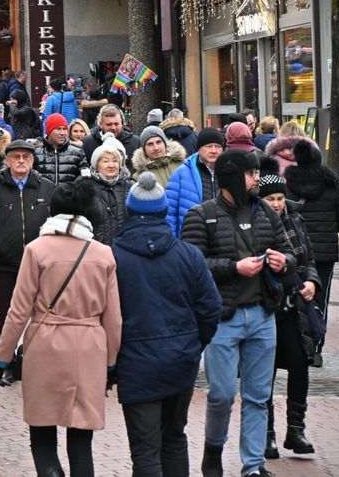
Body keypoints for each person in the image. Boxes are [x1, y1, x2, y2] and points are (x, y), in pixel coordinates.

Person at [0, 181, 122, 477]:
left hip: (45, 342)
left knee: (42, 434)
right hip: (89, 345)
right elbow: (113, 318)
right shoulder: (103, 254)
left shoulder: (36, 250)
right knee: (81, 441)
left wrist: (2, 358)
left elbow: (18, 311)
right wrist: (112, 362)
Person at [182, 148, 295, 477]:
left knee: (258, 397)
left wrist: (283, 262)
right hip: (223, 319)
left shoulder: (265, 212)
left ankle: (253, 466)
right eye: (251, 173)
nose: (257, 179)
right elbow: (192, 266)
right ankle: (213, 449)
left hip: (263, 315)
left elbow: (289, 252)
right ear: (232, 176)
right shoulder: (201, 215)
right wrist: (234, 268)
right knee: (221, 394)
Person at [113, 171, 222, 477]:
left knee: (145, 450)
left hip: (135, 362)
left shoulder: (113, 258)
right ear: (163, 212)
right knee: (174, 438)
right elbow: (211, 308)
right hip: (180, 359)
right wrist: (194, 343)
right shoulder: (188, 255)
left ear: (129, 211)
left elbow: (106, 316)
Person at [256, 159, 319, 460]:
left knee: (299, 364)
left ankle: (296, 430)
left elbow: (310, 259)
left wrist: (312, 282)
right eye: (271, 198)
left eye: (280, 198)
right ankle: (266, 435)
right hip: (266, 308)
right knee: (263, 373)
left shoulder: (296, 220)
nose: (277, 204)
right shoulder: (255, 223)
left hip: (294, 308)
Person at [0, 139, 55, 331]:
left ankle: (37, 351)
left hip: (41, 267)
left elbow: (60, 220)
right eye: (16, 157)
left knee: (43, 319)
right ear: (7, 161)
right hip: (6, 266)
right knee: (8, 318)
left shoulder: (48, 188)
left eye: (26, 157)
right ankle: (7, 351)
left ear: (32, 160)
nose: (21, 160)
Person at [284, 137, 339, 365]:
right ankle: (316, 348)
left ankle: (299, 344)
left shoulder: (288, 185)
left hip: (296, 251)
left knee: (296, 296)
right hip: (324, 252)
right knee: (320, 298)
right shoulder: (332, 185)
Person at [164, 126, 225, 237]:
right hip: (191, 237)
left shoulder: (229, 172)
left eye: (218, 146)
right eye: (209, 146)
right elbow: (170, 214)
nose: (214, 151)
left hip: (223, 238)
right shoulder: (181, 174)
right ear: (199, 148)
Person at [75, 133, 132, 246]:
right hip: (94, 248)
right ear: (96, 165)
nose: (111, 165)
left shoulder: (130, 186)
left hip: (125, 248)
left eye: (115, 161)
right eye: (105, 161)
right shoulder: (85, 187)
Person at [34, 113, 88, 191]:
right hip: (44, 197)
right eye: (58, 129)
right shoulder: (36, 152)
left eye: (65, 129)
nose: (62, 133)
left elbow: (85, 179)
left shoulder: (78, 152)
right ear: (49, 131)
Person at [132, 124, 187, 190]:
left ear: (165, 144)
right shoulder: (139, 177)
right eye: (150, 144)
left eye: (158, 142)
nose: (156, 148)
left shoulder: (184, 165)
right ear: (144, 149)